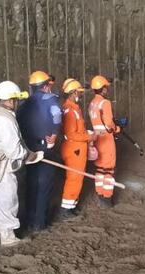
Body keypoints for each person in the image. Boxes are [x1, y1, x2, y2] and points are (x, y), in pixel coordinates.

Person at [0, 81, 44, 246]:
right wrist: (31, 156)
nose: (17, 103)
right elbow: (14, 151)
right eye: (16, 100)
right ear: (11, 100)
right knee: (7, 196)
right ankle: (8, 237)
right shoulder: (5, 120)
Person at [17, 70, 62, 233]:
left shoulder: (24, 104)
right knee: (44, 185)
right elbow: (57, 115)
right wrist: (55, 133)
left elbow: (18, 123)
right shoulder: (51, 100)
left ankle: (29, 219)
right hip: (45, 149)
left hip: (29, 150)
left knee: (31, 183)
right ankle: (39, 223)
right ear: (45, 85)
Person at [58, 78, 92, 219]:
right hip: (74, 149)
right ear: (72, 93)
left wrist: (86, 134)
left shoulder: (73, 108)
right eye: (79, 92)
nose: (81, 94)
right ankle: (65, 209)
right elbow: (70, 133)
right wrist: (88, 137)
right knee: (74, 178)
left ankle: (70, 206)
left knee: (77, 178)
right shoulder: (70, 110)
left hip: (76, 148)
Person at [88, 75, 120, 207]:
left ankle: (100, 193)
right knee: (108, 170)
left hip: (97, 138)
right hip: (106, 139)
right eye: (106, 87)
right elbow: (108, 124)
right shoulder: (105, 103)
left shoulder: (92, 103)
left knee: (100, 169)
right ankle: (107, 198)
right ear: (103, 89)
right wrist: (116, 128)